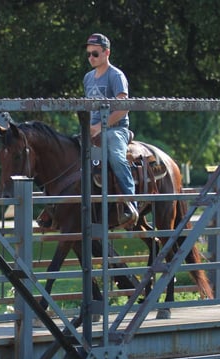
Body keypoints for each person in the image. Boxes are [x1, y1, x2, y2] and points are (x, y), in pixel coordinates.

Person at [84, 32, 137, 226]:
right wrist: (89, 127)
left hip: (116, 128)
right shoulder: (87, 78)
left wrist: (100, 127)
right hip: (92, 129)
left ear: (107, 53)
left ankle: (130, 205)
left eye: (95, 53)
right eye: (88, 54)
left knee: (116, 157)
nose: (91, 57)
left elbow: (124, 107)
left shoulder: (116, 76)